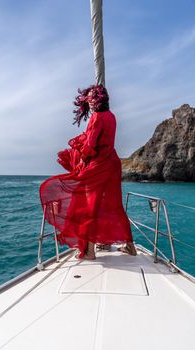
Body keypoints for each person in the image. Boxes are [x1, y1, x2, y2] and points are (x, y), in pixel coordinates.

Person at [39, 85, 137, 260]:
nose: (90, 104)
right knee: (114, 205)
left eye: (91, 100)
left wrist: (80, 158)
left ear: (95, 100)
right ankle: (130, 246)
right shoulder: (112, 116)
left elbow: (90, 146)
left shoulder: (97, 117)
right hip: (113, 163)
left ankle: (90, 252)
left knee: (90, 208)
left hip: (99, 165)